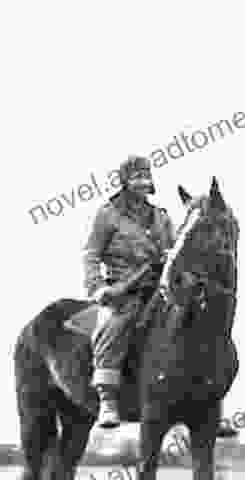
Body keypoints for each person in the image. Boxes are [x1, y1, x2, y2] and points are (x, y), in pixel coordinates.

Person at [83, 155, 175, 427]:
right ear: (125, 181)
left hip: (159, 285)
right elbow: (90, 253)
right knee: (115, 323)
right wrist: (98, 288)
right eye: (137, 177)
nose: (143, 182)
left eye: (147, 177)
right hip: (123, 288)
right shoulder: (108, 214)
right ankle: (108, 399)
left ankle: (209, 398)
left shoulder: (161, 216)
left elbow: (173, 249)